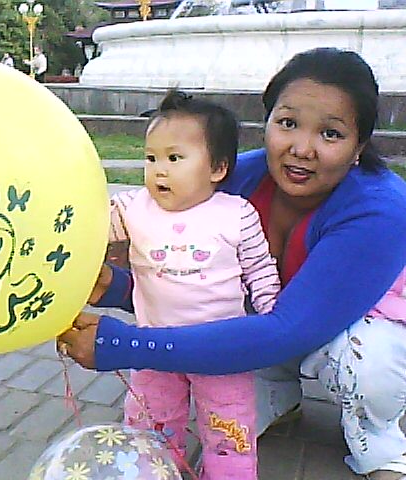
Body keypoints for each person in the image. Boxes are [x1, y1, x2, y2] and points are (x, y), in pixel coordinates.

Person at [58, 48, 406, 480]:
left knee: (370, 360)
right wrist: (116, 286)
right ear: (266, 123)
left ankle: (377, 435)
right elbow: (196, 281)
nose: (301, 149)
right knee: (221, 407)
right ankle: (278, 389)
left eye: (331, 134)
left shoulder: (380, 211)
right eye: (288, 123)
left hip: (364, 328)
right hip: (276, 324)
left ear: (359, 146)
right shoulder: (235, 179)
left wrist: (126, 345)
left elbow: (290, 328)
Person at [93, 90, 281, 479]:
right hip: (154, 349)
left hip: (222, 352)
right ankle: (156, 471)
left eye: (174, 158)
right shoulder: (132, 208)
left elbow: (261, 270)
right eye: (151, 158)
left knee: (229, 431)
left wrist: (272, 317)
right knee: (150, 428)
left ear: (217, 168)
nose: (159, 171)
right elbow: (93, 231)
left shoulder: (237, 214)